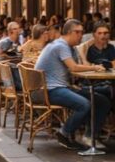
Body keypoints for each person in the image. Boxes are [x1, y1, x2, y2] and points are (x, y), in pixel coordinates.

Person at [34, 19, 109, 150]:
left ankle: (89, 136)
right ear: (68, 32)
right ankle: (64, 133)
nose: (80, 35)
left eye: (82, 32)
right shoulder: (60, 46)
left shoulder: (69, 47)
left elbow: (81, 66)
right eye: (77, 32)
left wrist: (84, 53)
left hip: (61, 87)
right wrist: (96, 68)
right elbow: (73, 68)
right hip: (49, 90)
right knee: (84, 104)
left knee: (102, 101)